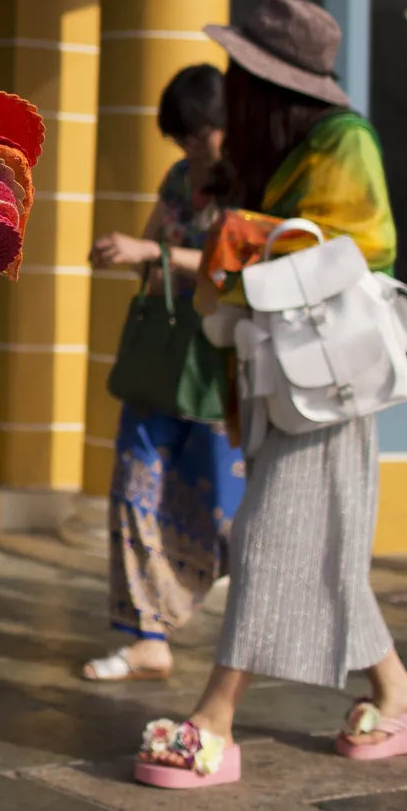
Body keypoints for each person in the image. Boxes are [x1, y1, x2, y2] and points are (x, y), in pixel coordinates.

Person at [134, 0, 407, 788]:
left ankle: (215, 717)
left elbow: (361, 250)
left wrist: (243, 234)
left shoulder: (344, 141)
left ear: (273, 85)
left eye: (244, 76)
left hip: (329, 382)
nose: (232, 90)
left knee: (266, 536)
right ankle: (395, 686)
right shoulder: (281, 149)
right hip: (287, 378)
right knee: (320, 551)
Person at [84, 65, 245, 683]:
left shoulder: (249, 183)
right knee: (133, 490)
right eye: (181, 135)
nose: (190, 146)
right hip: (162, 364)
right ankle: (146, 636)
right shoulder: (179, 179)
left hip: (216, 367)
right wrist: (128, 252)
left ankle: (259, 629)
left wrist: (152, 253)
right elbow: (152, 246)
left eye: (198, 132)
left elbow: (232, 267)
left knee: (224, 514)